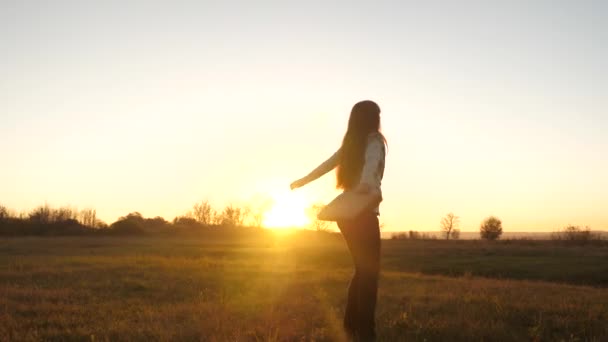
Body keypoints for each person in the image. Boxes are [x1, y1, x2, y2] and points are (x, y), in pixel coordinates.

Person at [290, 100, 387, 341]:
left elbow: (326, 165)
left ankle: (351, 325)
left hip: (346, 214)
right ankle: (366, 331)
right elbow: (373, 161)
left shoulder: (351, 143)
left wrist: (303, 180)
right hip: (362, 211)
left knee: (361, 269)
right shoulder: (374, 139)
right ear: (373, 118)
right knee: (369, 273)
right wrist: (366, 184)